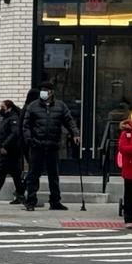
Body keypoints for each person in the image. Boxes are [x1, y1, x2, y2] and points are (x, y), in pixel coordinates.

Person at [22, 80, 78, 211]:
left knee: (54, 176)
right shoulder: (33, 106)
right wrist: (30, 139)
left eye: (46, 90)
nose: (43, 92)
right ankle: (31, 201)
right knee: (33, 175)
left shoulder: (60, 106)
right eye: (42, 90)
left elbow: (69, 121)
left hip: (53, 145)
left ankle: (55, 201)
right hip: (37, 145)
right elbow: (26, 125)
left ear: (51, 92)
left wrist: (75, 133)